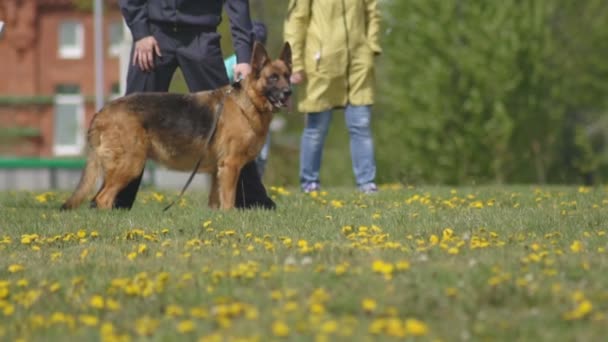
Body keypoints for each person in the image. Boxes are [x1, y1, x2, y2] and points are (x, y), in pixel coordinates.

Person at [117, 0, 276, 210]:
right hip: (153, 37)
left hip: (201, 37)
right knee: (134, 119)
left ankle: (252, 201)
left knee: (232, 123)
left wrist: (244, 57)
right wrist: (140, 31)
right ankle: (115, 203)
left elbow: (237, 4)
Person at [284, 0, 381, 194]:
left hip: (358, 64)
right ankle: (309, 183)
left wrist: (371, 46)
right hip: (321, 65)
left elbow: (373, 11)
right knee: (316, 128)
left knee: (361, 124)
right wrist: (295, 63)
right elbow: (296, 20)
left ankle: (366, 183)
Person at [224, 21, 271, 177]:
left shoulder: (267, 66)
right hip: (238, 117)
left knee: (260, 155)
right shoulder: (233, 62)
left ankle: (256, 181)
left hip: (260, 116)